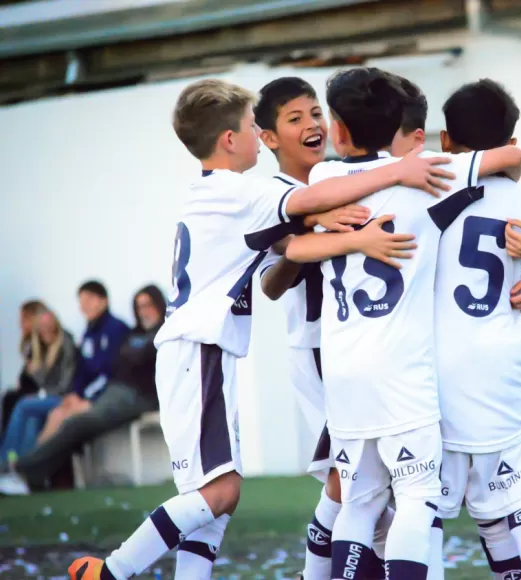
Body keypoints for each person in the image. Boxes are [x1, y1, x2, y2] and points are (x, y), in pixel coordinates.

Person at [68, 77, 456, 580]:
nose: (310, 124)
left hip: (205, 353)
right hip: (203, 351)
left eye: (315, 114)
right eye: (260, 125)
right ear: (235, 139)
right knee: (225, 493)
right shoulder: (242, 193)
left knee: (213, 501)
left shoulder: (220, 193)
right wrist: (394, 177)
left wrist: (339, 230)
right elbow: (299, 224)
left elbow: (293, 241)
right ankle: (112, 572)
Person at [283, 67, 521, 580]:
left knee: (359, 500)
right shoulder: (427, 179)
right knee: (417, 498)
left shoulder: (322, 182)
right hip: (402, 375)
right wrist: (407, 166)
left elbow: (298, 235)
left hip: (345, 373)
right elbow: (511, 158)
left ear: (339, 131)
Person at [254, 76, 398, 580]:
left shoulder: (337, 177)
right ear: (267, 137)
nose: (312, 124)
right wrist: (316, 229)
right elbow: (270, 284)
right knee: (352, 481)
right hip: (320, 346)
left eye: (315, 113)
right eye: (295, 118)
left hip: (364, 345)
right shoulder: (275, 196)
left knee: (373, 485)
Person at [430, 78, 521, 580]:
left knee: (424, 507)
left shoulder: (424, 194)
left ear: (444, 141)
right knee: (517, 492)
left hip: (432, 370)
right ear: (510, 141)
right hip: (499, 364)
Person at [0, 286, 167, 496]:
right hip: (114, 392)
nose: (144, 311)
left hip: (138, 396)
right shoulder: (131, 333)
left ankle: (20, 470)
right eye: (139, 306)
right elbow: (101, 369)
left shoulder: (164, 332)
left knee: (75, 422)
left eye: (148, 305)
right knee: (64, 418)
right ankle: (25, 472)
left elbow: (123, 365)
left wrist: (87, 398)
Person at [39, 281, 130, 443]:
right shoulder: (89, 332)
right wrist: (75, 394)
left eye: (89, 299)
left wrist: (87, 398)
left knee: (63, 417)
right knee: (55, 414)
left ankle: (37, 464)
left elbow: (111, 372)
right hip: (86, 396)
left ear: (104, 300)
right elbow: (81, 370)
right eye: (81, 301)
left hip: (104, 397)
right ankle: (31, 463)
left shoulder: (116, 329)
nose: (83, 306)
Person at [0, 309, 77, 463]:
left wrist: (41, 388)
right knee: (32, 419)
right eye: (42, 326)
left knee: (23, 405)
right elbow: (43, 381)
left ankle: (4, 460)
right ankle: (22, 463)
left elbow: (64, 384)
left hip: (63, 397)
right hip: (49, 396)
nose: (46, 329)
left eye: (49, 325)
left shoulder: (66, 345)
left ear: (56, 325)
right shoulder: (42, 348)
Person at [1, 300, 46, 435]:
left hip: (36, 395)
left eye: (23, 319)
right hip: (25, 393)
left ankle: (9, 451)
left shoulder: (44, 346)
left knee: (12, 400)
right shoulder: (30, 346)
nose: (20, 324)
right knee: (9, 397)